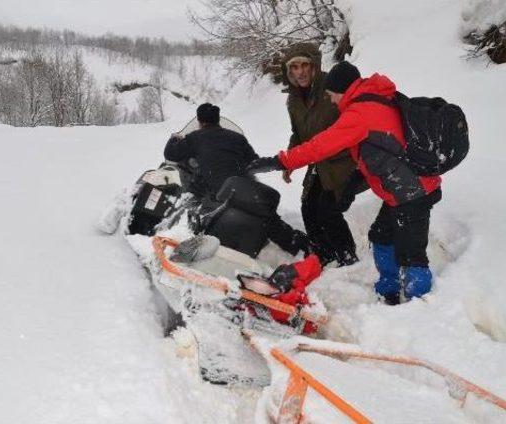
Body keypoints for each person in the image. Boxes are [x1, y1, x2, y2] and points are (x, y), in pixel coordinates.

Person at [247, 61, 442, 305]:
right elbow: (378, 152)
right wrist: (351, 185)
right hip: (401, 190)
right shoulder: (373, 99)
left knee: (412, 255)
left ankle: (420, 307)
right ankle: (388, 291)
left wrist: (280, 161)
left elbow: (319, 146)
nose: (330, 99)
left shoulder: (359, 112)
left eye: (330, 94)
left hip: (413, 191)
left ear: (341, 90)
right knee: (381, 236)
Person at [164, 103, 310, 258]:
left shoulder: (194, 138)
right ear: (218, 119)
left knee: (197, 218)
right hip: (243, 191)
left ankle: (193, 251)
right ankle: (305, 248)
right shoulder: (237, 138)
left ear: (200, 122)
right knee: (271, 221)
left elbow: (171, 154)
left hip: (216, 194)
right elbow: (253, 161)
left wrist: (174, 138)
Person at [280, 43, 359, 267]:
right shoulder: (293, 99)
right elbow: (298, 133)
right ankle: (324, 256)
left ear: (314, 65)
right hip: (319, 161)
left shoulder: (331, 86)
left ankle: (347, 258)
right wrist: (290, 160)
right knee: (308, 207)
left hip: (343, 159)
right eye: (294, 67)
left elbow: (354, 118)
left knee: (327, 210)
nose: (300, 71)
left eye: (305, 65)